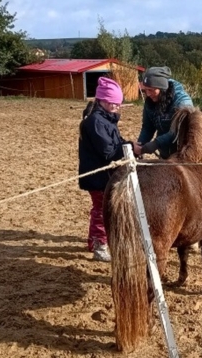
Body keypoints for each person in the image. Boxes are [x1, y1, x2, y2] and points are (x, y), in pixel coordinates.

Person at [78, 77, 141, 262]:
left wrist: (130, 145)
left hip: (104, 174)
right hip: (98, 176)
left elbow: (115, 142)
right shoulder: (96, 122)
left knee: (101, 208)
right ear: (103, 101)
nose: (117, 107)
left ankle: (94, 241)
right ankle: (99, 244)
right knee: (101, 210)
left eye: (118, 104)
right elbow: (108, 151)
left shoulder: (105, 119)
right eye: (113, 104)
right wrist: (130, 148)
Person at [137, 66, 193, 159]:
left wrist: (156, 143)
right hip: (165, 153)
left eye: (151, 90)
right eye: (145, 90)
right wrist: (141, 145)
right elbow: (148, 127)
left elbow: (180, 130)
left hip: (183, 155)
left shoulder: (182, 102)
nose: (148, 94)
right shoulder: (150, 102)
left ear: (162, 88)